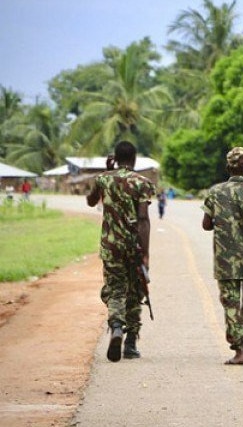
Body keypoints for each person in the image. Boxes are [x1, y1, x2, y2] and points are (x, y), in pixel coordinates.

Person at [86, 141, 155, 362]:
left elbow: (90, 201)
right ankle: (131, 343)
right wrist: (145, 252)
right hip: (133, 247)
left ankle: (116, 326)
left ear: (115, 157)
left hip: (111, 247)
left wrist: (106, 171)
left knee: (115, 290)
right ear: (134, 159)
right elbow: (143, 219)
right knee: (136, 292)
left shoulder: (103, 179)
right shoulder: (141, 183)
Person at [201, 147, 243, 365]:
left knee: (231, 303)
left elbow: (205, 225)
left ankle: (238, 350)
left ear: (227, 167)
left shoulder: (215, 192)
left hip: (225, 259)